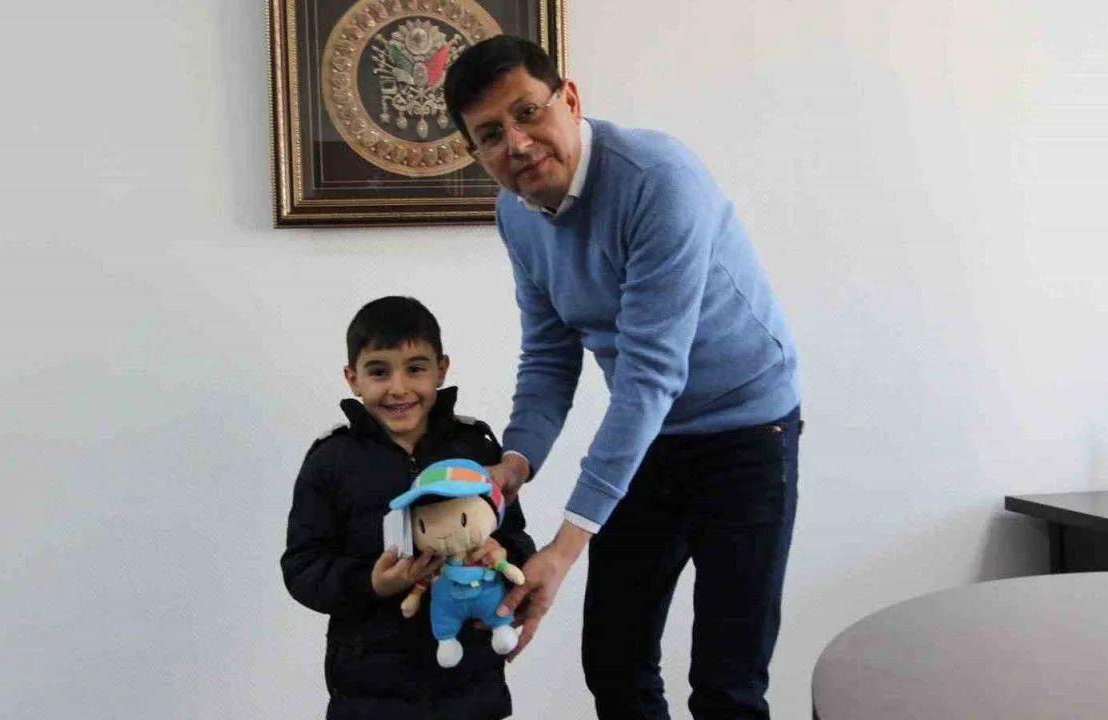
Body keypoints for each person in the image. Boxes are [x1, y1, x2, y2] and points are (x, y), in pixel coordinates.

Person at [442, 35, 803, 720]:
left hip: (748, 431)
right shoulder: (515, 214)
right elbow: (549, 355)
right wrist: (514, 463)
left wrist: (564, 548)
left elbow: (650, 375)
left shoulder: (658, 179)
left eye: (527, 112)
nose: (516, 144)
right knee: (614, 661)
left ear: (570, 99)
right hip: (649, 436)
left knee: (727, 683)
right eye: (489, 135)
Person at [281, 296, 536, 720]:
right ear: (352, 378)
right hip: (367, 692)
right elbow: (302, 567)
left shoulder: (476, 447)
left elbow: (514, 535)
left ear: (441, 370)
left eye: (415, 369)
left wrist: (505, 556)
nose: (398, 388)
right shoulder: (329, 460)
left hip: (471, 685)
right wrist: (371, 583)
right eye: (379, 371)